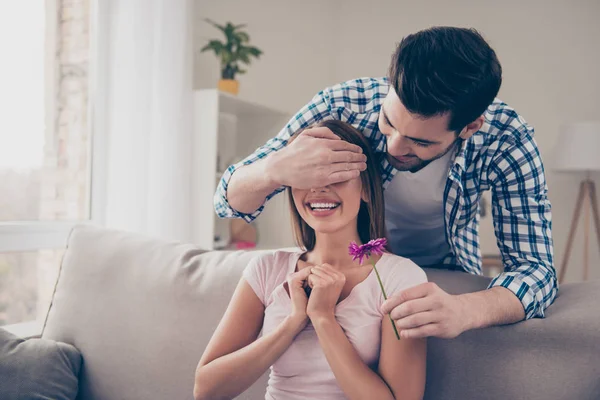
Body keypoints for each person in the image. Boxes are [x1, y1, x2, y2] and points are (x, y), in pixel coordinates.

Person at [214, 26, 558, 339]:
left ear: (470, 127)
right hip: (356, 272)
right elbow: (227, 201)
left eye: (421, 142)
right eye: (388, 122)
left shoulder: (507, 138)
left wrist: (467, 310)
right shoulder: (342, 105)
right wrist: (272, 169)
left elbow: (536, 271)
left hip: (446, 274)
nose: (394, 146)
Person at [195, 120, 427, 400]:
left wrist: (323, 318)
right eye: (307, 175)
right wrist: (293, 322)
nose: (319, 188)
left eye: (336, 174)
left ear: (366, 189)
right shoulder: (268, 269)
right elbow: (206, 390)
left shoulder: (400, 278)